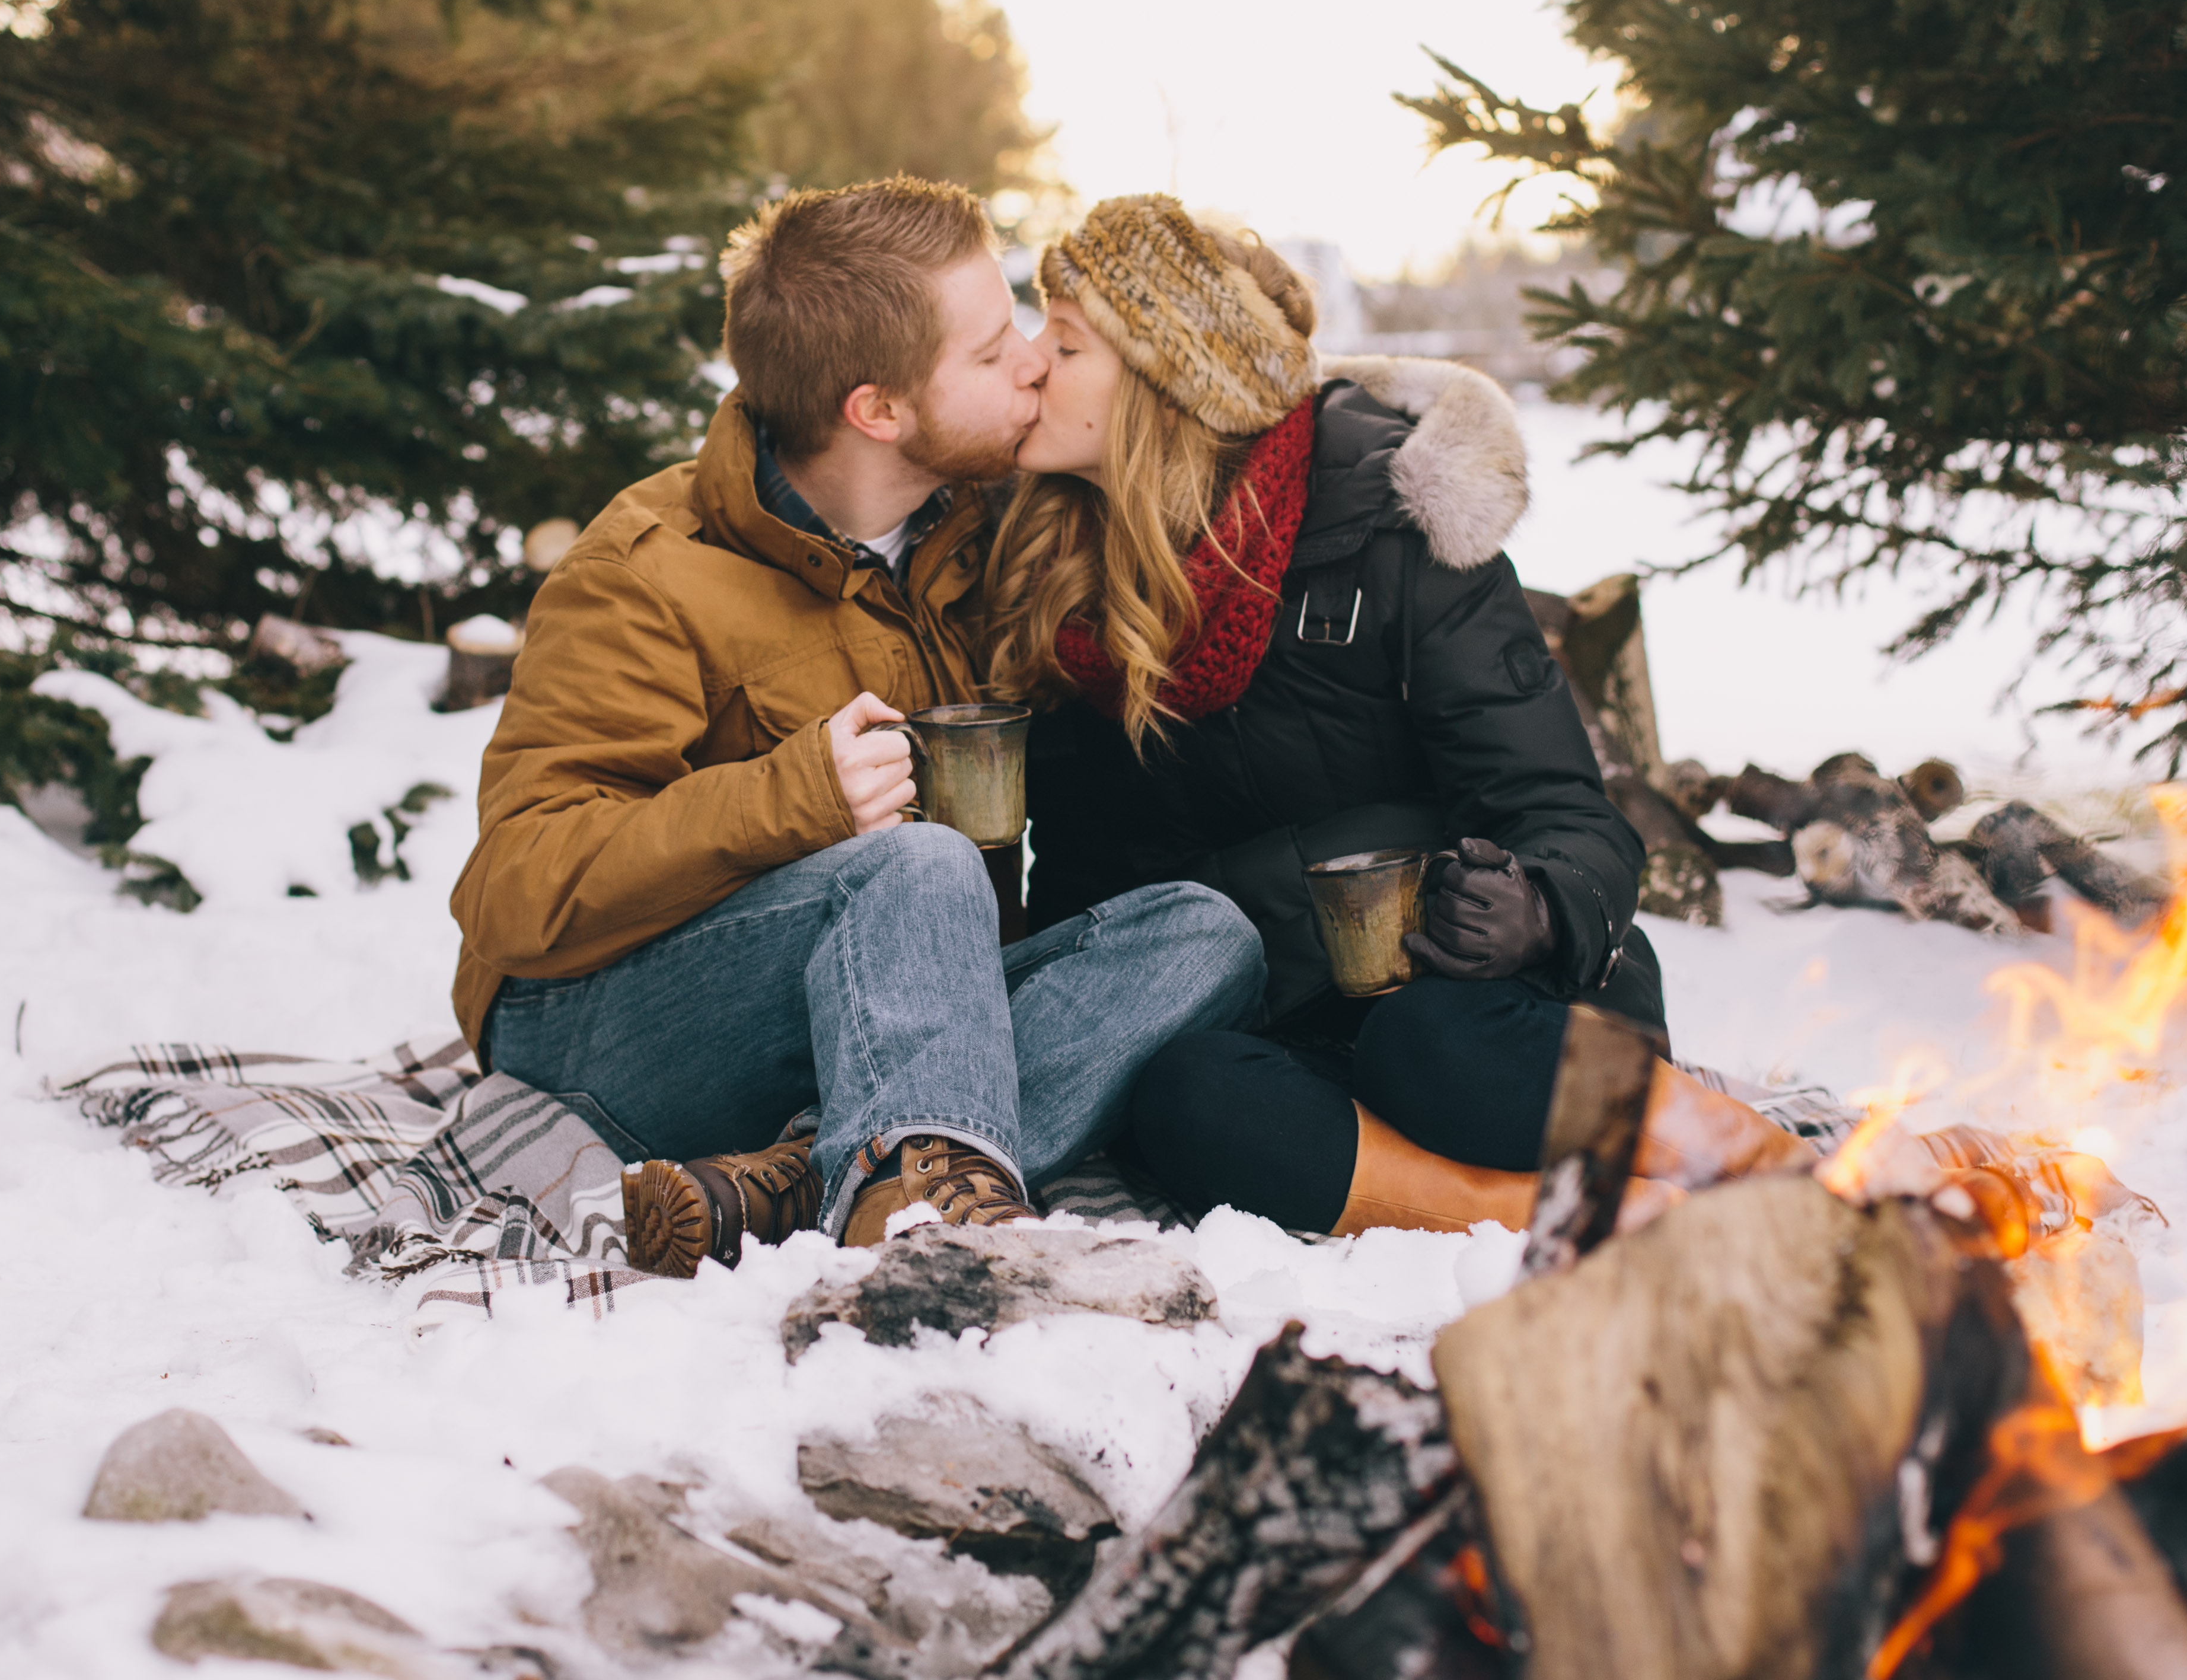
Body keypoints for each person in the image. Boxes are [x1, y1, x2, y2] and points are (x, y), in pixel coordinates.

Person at [447, 178, 1264, 1278]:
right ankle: (929, 1237)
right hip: (601, 1036)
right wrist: (789, 803)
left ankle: (800, 1179)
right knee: (915, 866)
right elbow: (515, 889)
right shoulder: (644, 570)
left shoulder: (974, 528)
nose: (1030, 360)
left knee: (1205, 934)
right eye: (987, 354)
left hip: (879, 992)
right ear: (877, 410)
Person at [984, 194, 1810, 1238]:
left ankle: (1764, 1163)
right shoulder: (1054, 575)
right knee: (1185, 1097)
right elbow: (1087, 891)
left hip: (1487, 1003)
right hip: (1281, 1025)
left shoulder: (1386, 528)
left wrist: (1541, 906)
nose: (1026, 364)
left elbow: (1565, 809)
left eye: (1061, 343)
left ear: (1165, 382)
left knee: (1428, 1044)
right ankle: (1528, 1214)